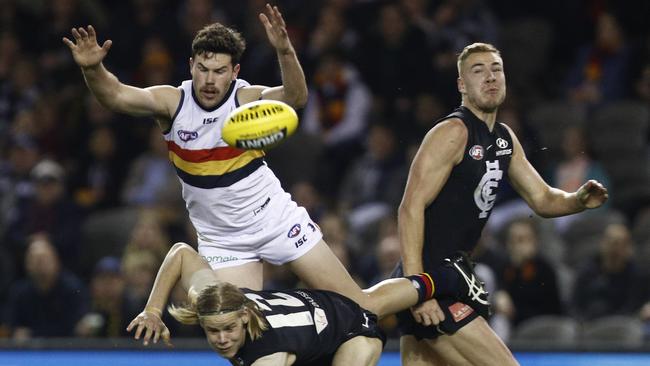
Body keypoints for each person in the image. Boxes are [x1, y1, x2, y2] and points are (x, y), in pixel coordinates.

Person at [62, 4, 409, 319]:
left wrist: (285, 51)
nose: (210, 80)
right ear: (191, 66)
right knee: (238, 327)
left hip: (275, 220)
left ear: (235, 70)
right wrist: (94, 70)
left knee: (358, 306)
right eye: (203, 69)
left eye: (219, 71)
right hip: (223, 239)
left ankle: (430, 285)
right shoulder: (172, 103)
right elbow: (117, 96)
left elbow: (296, 97)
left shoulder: (246, 98)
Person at [394, 42, 609, 365]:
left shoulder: (504, 138)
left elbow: (543, 198)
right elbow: (410, 208)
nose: (491, 77)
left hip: (451, 276)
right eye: (478, 71)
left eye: (496, 69)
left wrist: (577, 200)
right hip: (432, 280)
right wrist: (418, 289)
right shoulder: (453, 132)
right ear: (461, 86)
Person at [126, 242, 445, 365]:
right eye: (213, 332)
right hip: (319, 313)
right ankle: (438, 278)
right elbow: (181, 252)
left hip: (353, 333)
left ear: (245, 315)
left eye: (228, 330)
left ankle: (448, 278)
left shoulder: (267, 356)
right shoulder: (216, 297)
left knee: (368, 308)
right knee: (374, 299)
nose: (222, 340)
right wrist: (153, 310)